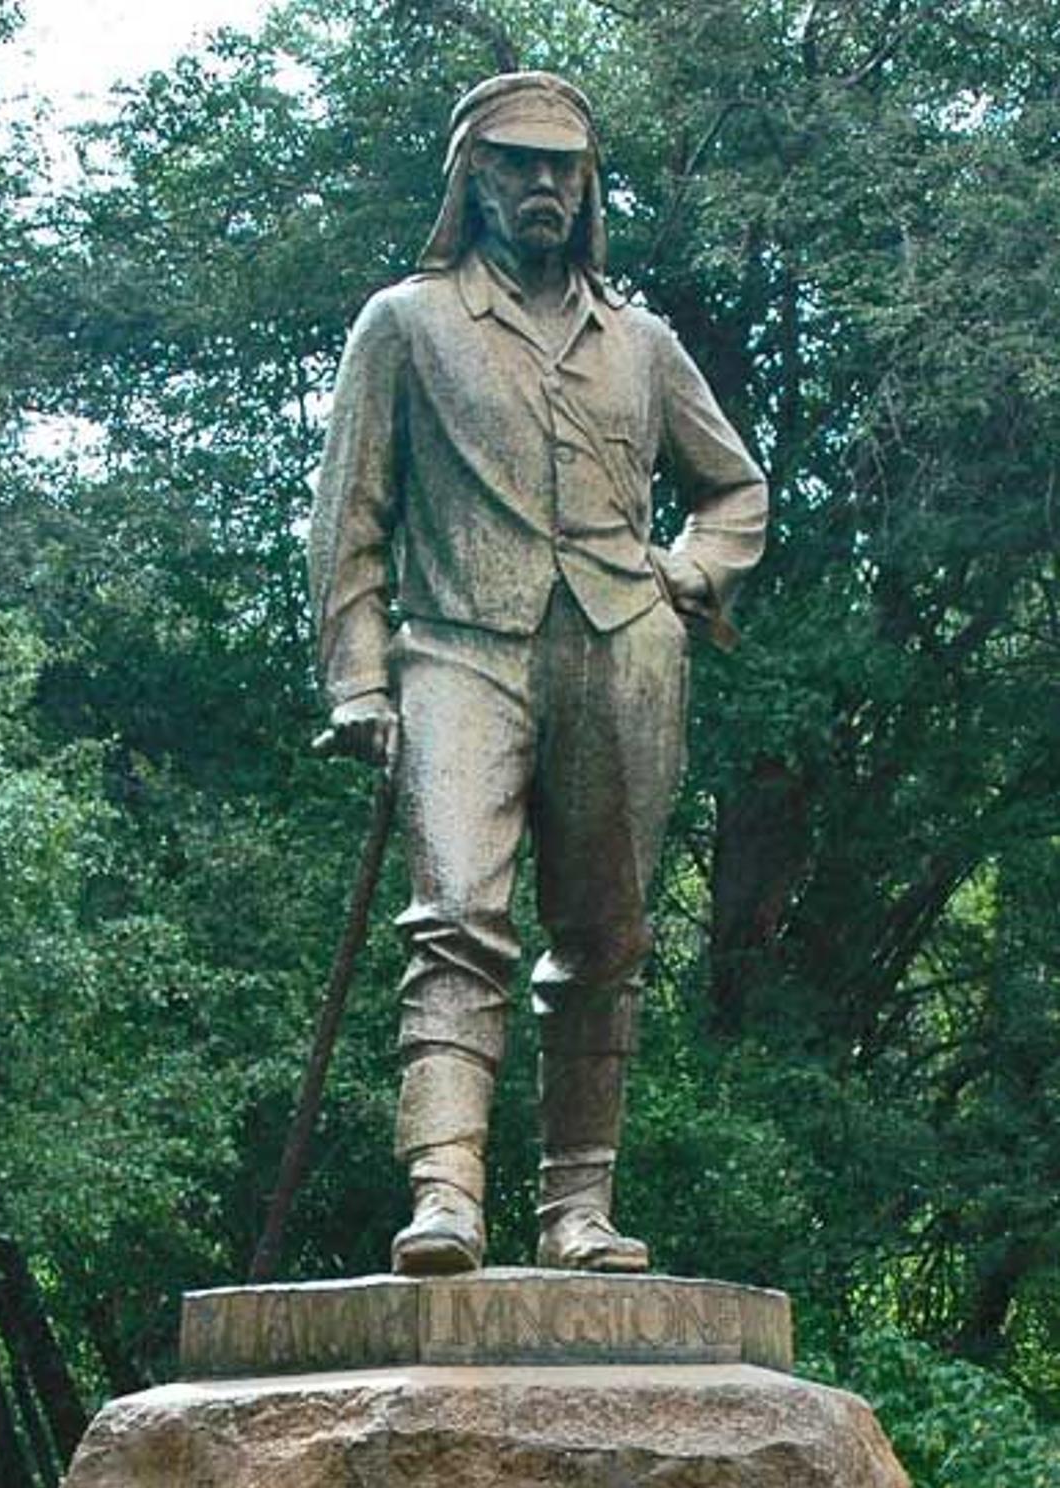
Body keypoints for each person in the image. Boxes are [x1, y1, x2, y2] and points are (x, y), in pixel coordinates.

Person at [307, 72, 767, 1276]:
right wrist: (358, 680)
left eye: (565, 166)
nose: (546, 184)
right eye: (520, 162)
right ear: (475, 177)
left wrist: (686, 575)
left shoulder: (645, 346)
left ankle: (579, 1210)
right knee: (458, 915)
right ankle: (446, 1191)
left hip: (622, 653)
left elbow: (737, 491)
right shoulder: (406, 324)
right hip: (459, 648)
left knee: (606, 936)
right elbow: (349, 519)